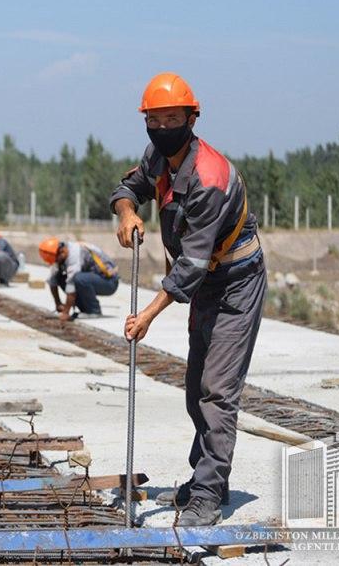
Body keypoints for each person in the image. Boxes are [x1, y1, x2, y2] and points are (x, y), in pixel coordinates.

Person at [110, 72, 265, 527]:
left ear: (192, 118)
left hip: (235, 282)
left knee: (217, 390)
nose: (162, 127)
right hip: (206, 283)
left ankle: (209, 494)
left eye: (172, 118)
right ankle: (204, 477)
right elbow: (127, 188)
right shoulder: (159, 156)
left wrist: (147, 317)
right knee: (195, 387)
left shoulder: (209, 177)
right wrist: (127, 213)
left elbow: (191, 267)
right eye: (154, 120)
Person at [39, 237, 119, 319]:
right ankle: (86, 310)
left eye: (56, 260)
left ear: (62, 252)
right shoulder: (58, 254)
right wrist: (58, 303)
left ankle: (94, 311)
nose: (56, 262)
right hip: (93, 278)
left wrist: (66, 313)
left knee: (78, 278)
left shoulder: (75, 254)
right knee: (61, 278)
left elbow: (71, 285)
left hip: (109, 282)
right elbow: (53, 280)